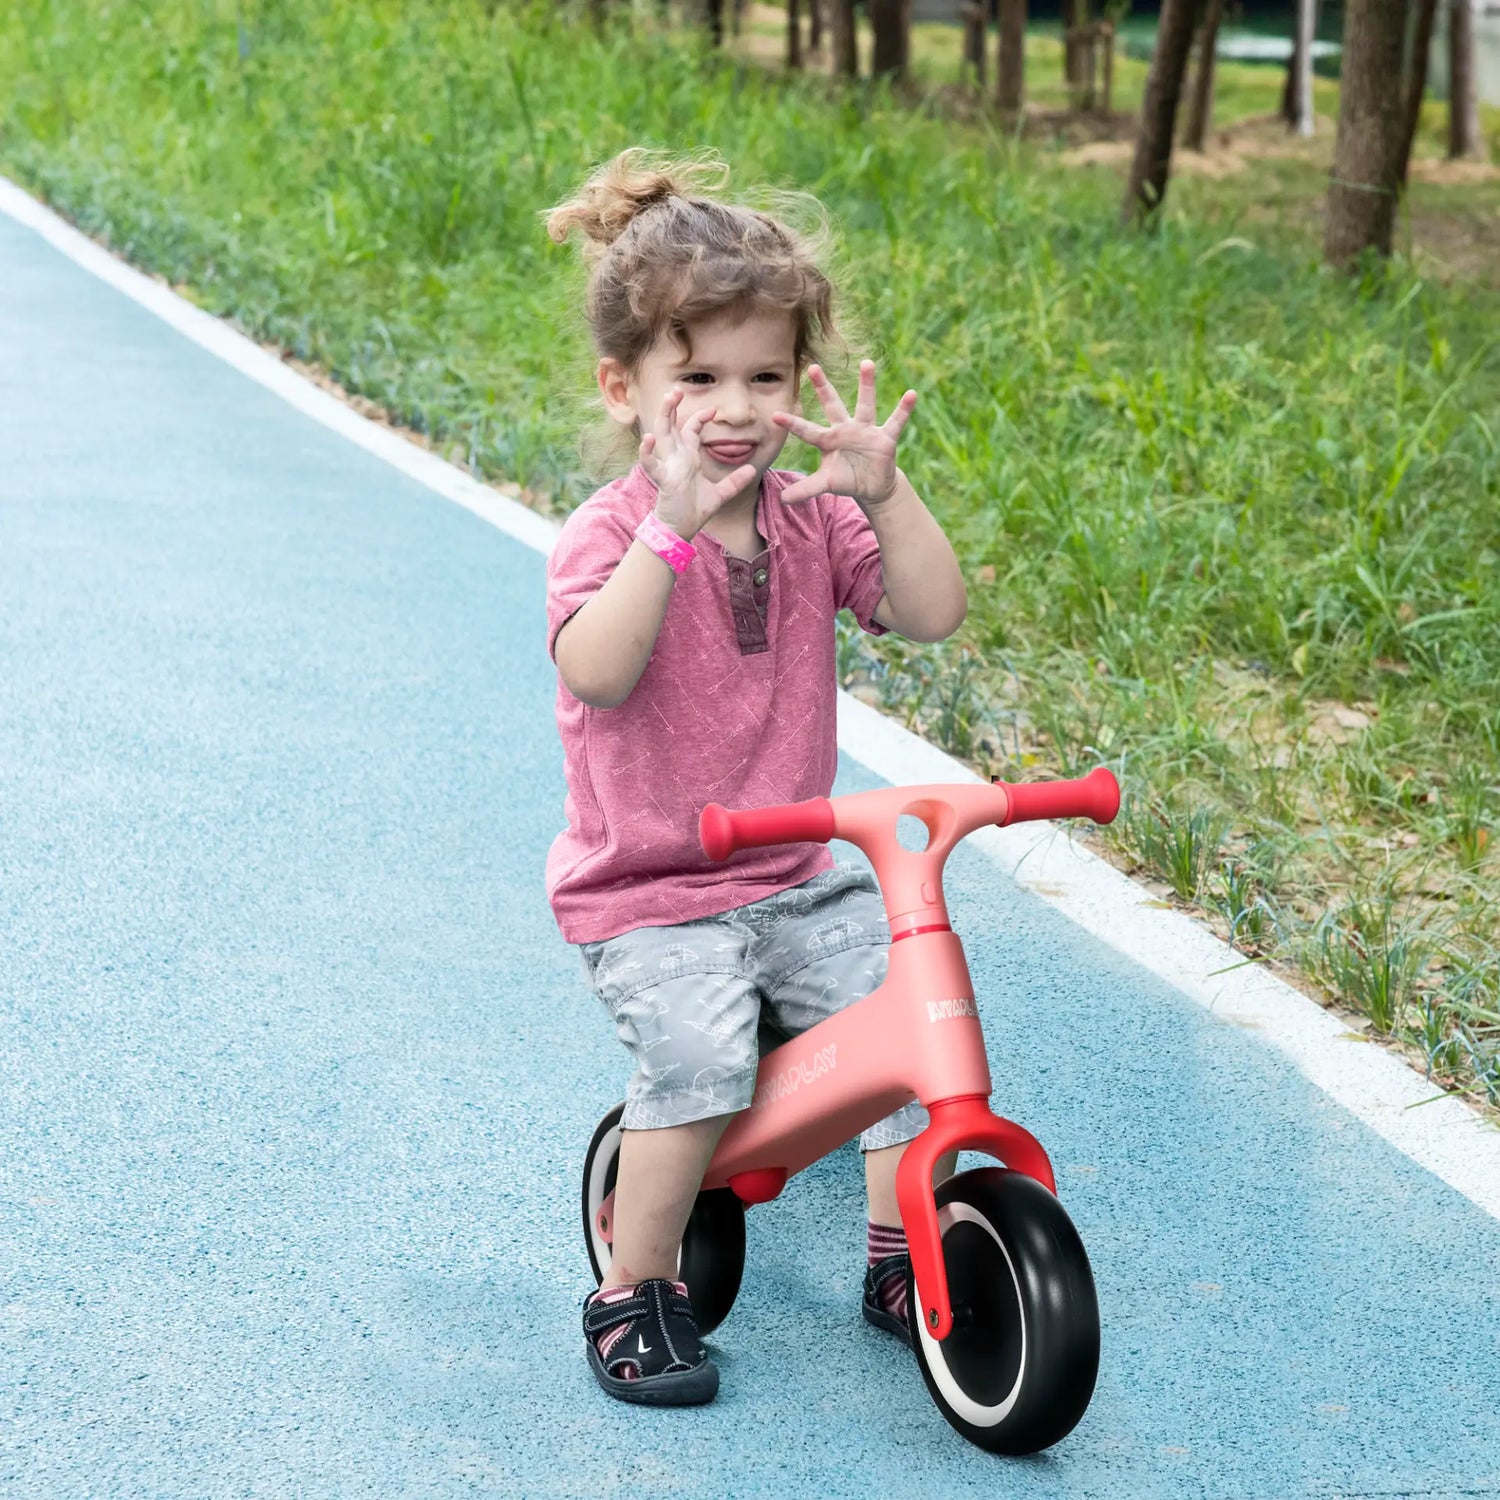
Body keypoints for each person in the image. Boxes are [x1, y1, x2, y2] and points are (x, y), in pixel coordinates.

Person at [542, 147, 967, 1407]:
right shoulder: (612, 535)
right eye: (700, 376)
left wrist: (887, 499)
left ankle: (909, 1256)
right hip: (655, 888)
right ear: (628, 389)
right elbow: (600, 671)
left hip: (792, 870)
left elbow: (932, 613)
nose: (734, 407)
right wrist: (669, 533)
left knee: (919, 1023)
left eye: (765, 375)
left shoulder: (812, 519)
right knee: (700, 1064)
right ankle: (636, 1284)